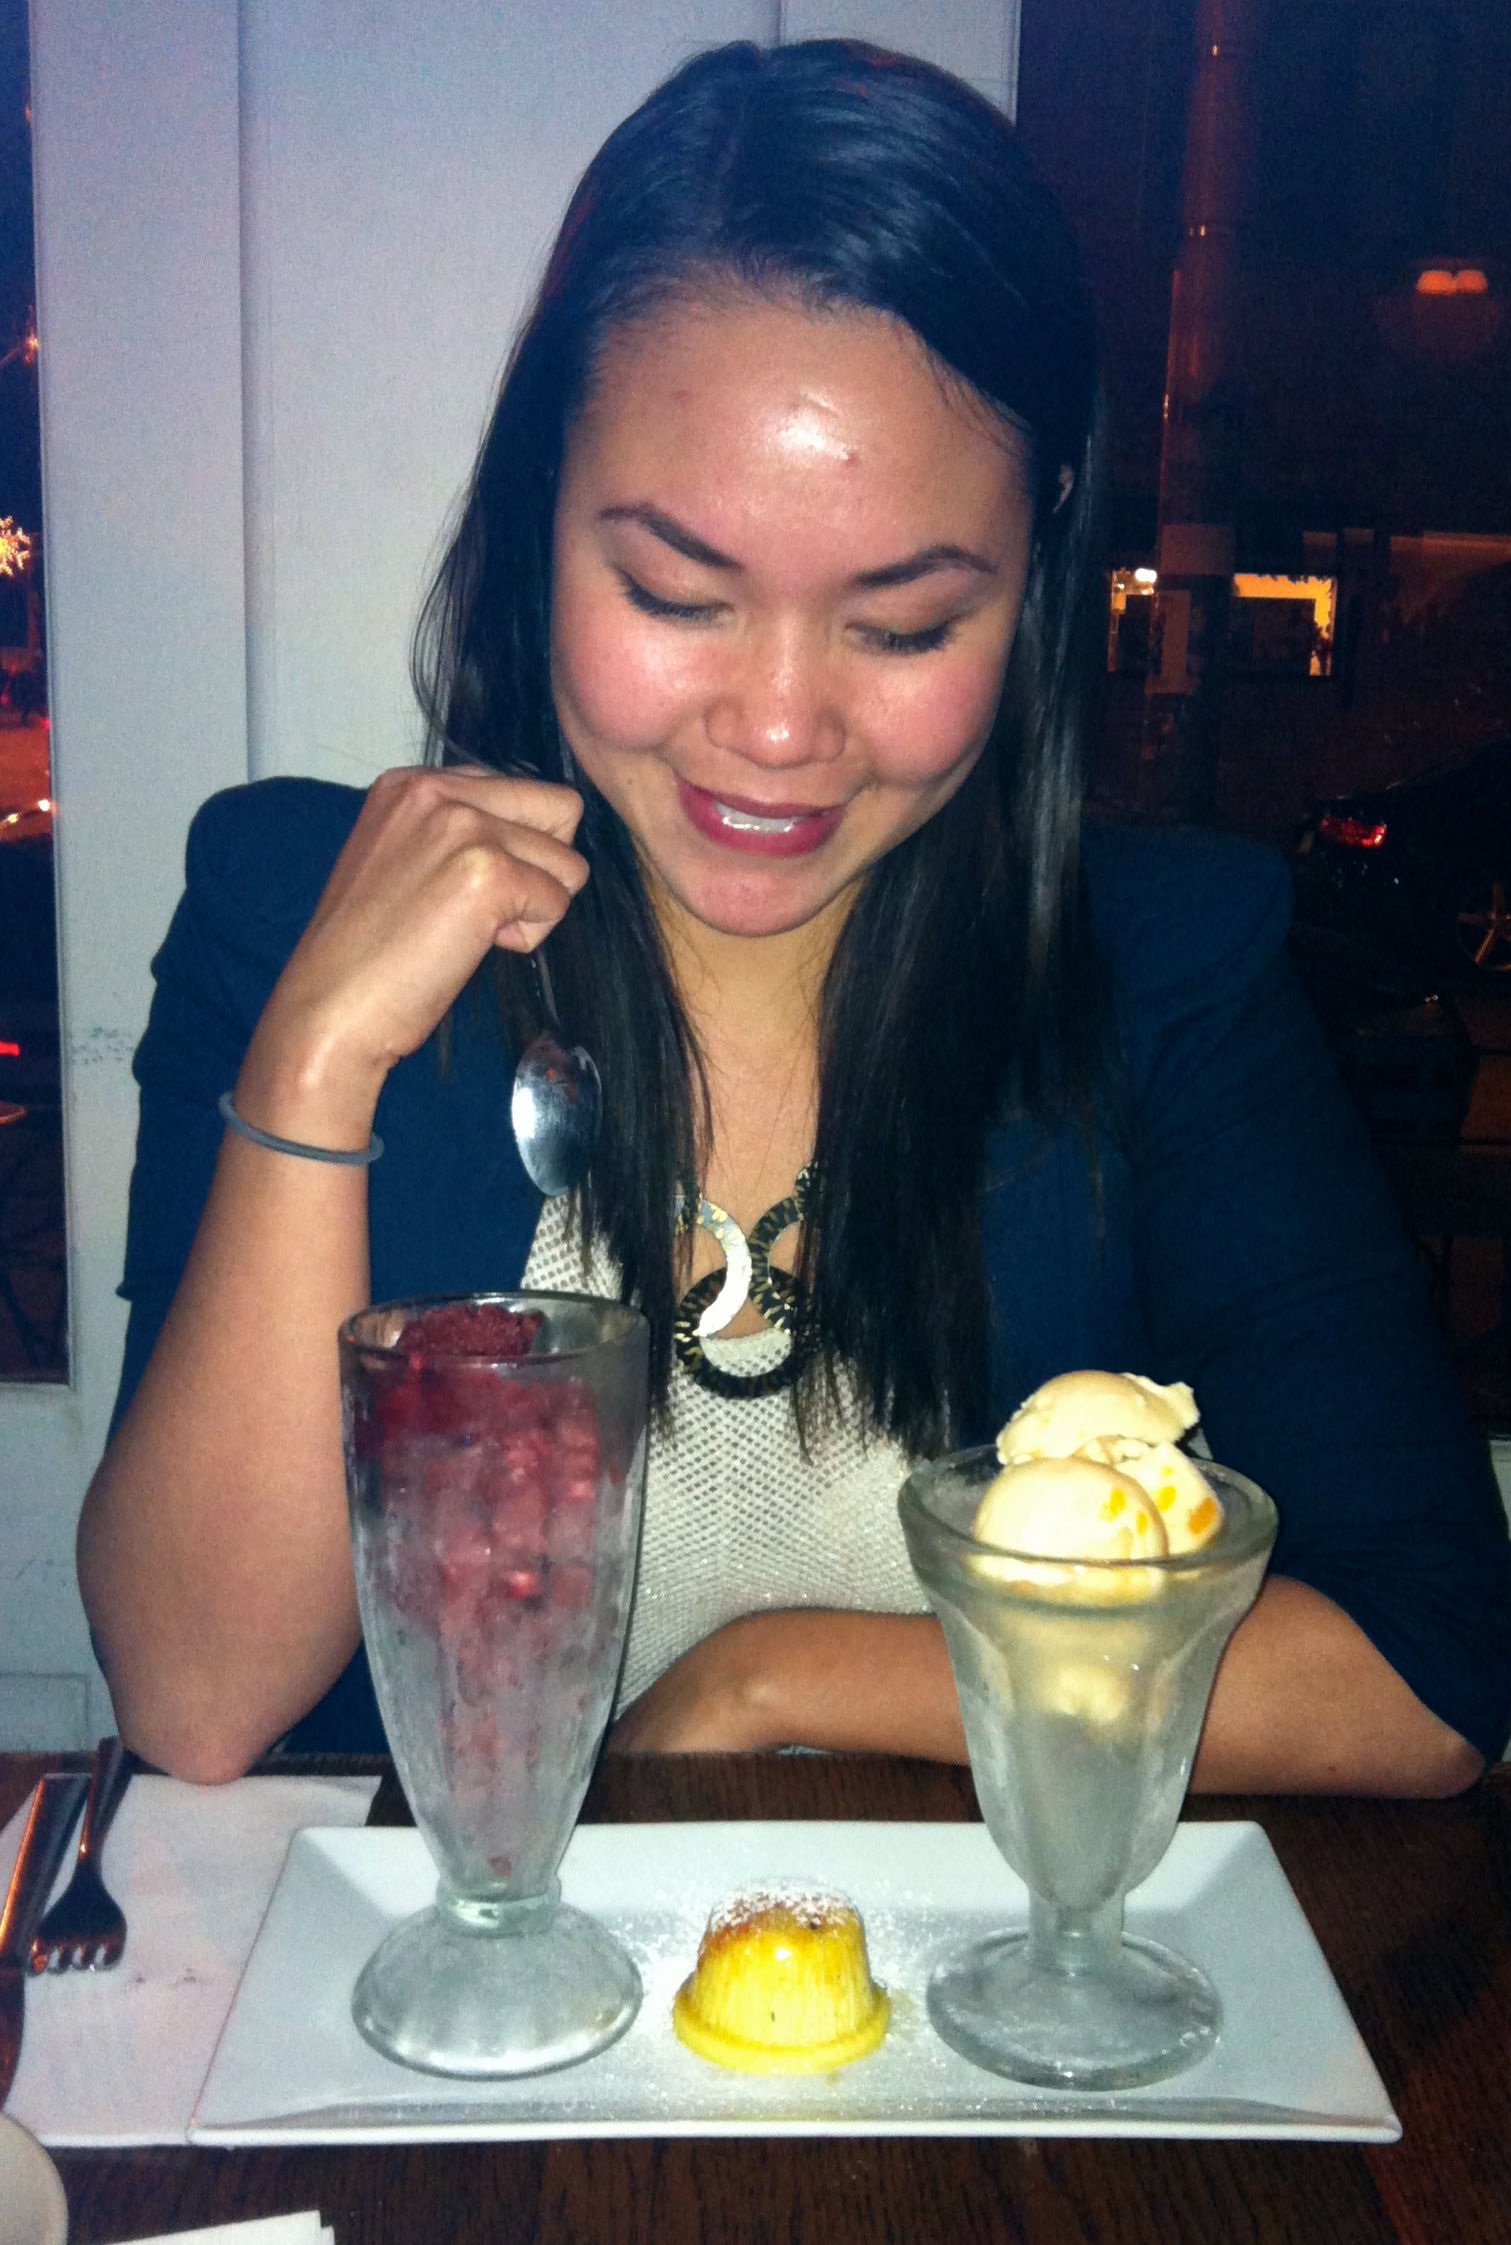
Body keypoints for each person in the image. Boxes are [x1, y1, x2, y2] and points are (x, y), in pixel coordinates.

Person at [78, 39, 1509, 1791]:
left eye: (903, 626)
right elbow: (198, 1695)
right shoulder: (295, 908)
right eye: (677, 591)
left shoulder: (1162, 973)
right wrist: (313, 1066)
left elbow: (1430, 1671)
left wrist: (767, 1677)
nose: (776, 728)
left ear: (1038, 567)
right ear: (538, 515)